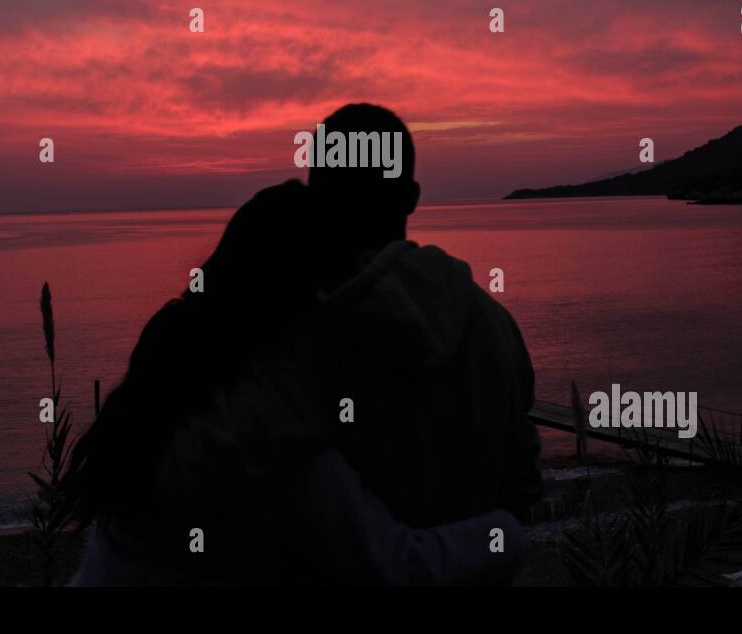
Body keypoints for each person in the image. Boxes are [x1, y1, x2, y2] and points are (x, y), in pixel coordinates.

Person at [67, 179, 525, 585]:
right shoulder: (260, 433)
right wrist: (505, 532)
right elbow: (394, 565)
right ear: (308, 295)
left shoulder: (174, 371)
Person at [154, 104, 542, 533]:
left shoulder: (283, 331)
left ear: (315, 198)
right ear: (410, 198)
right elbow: (519, 493)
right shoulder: (497, 327)